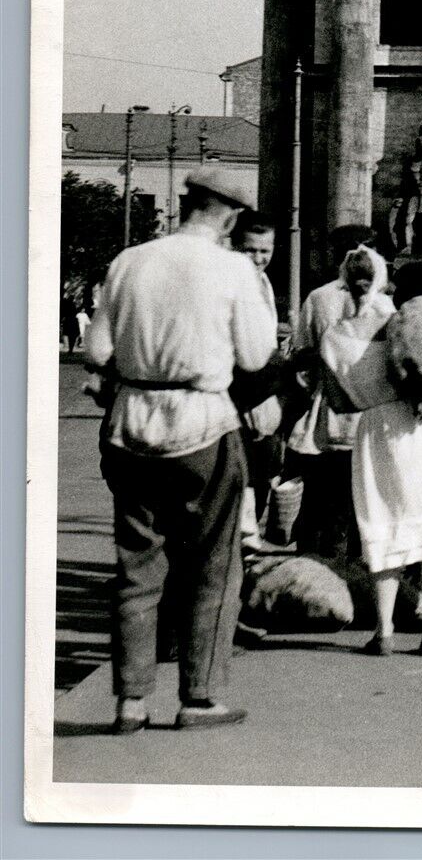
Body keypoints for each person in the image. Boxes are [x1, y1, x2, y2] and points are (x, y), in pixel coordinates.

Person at [84, 167, 276, 733]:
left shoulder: (130, 261)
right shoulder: (232, 267)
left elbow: (97, 349)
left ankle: (130, 700)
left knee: (136, 568)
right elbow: (257, 354)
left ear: (189, 202)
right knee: (213, 566)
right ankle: (199, 696)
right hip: (203, 426)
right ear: (231, 215)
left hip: (131, 425)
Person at [314, 247, 422, 656]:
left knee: (385, 524)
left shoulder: (340, 336)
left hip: (380, 430)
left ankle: (383, 631)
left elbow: (340, 402)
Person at [284, 223, 376, 560]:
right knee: (359, 507)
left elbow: (300, 355)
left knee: (320, 502)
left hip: (326, 416)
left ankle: (315, 571)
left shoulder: (318, 298)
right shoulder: (384, 304)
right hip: (369, 418)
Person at [229, 212, 284, 532]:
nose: (259, 258)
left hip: (261, 392)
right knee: (242, 482)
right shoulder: (231, 282)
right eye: (251, 250)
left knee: (259, 478)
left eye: (266, 250)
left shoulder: (263, 282)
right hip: (241, 396)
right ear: (235, 246)